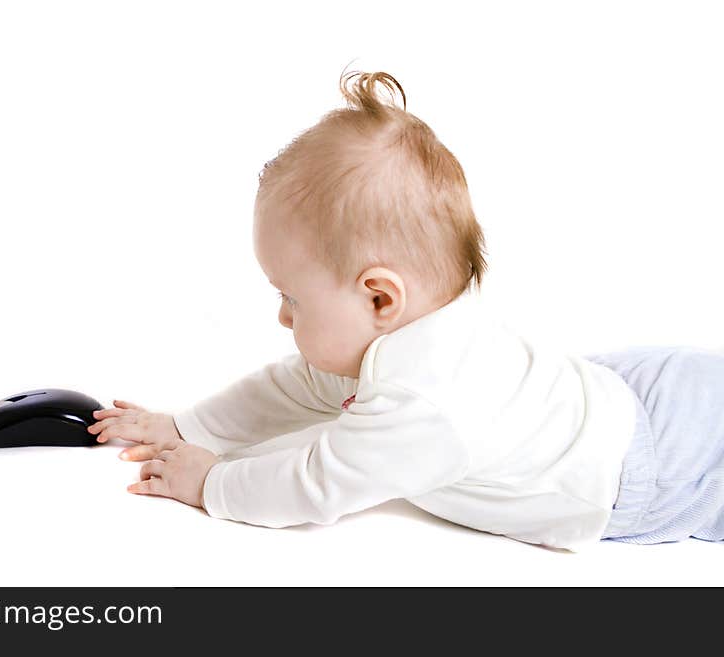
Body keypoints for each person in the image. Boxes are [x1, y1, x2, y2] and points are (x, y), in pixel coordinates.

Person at [87, 71, 724, 551]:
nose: (283, 319)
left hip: (658, 467)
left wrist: (210, 485)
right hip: (623, 391)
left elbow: (314, 484)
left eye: (291, 297)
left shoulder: (424, 404)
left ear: (380, 297)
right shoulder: (411, 331)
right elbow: (297, 386)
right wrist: (189, 427)